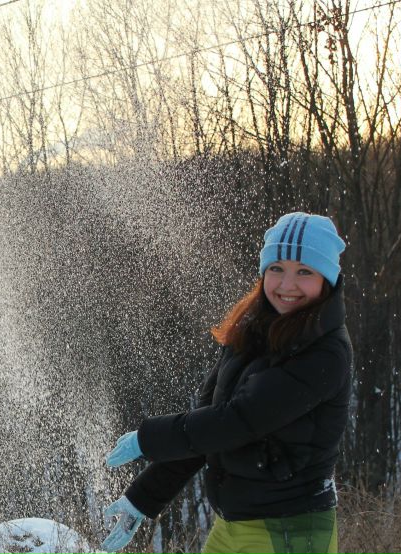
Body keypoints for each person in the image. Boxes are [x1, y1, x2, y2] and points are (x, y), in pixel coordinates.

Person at [101, 212, 353, 554]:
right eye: (276, 268)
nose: (287, 284)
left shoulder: (325, 352)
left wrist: (150, 438)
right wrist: (144, 497)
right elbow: (209, 426)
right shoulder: (253, 330)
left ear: (326, 280)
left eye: (304, 271)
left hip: (290, 531)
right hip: (235, 523)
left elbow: (238, 421)